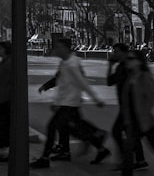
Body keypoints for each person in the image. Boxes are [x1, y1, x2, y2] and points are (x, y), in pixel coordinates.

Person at [31, 38, 110, 168]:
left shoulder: (72, 64)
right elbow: (62, 84)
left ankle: (45, 158)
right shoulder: (65, 62)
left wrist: (96, 98)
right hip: (67, 102)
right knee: (74, 128)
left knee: (53, 128)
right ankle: (99, 143)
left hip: (69, 103)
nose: (56, 50)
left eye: (59, 47)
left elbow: (82, 83)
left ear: (66, 48)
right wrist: (54, 98)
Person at [107, 43, 147, 171]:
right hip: (126, 106)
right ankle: (139, 160)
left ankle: (127, 161)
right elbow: (109, 82)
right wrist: (110, 66)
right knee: (133, 134)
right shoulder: (120, 67)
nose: (114, 54)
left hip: (130, 106)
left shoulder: (128, 67)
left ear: (124, 53)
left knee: (117, 131)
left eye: (117, 51)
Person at [0, 42, 12, 162]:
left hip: (5, 98)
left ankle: (5, 152)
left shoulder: (8, 62)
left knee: (4, 125)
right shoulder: (4, 61)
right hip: (3, 97)